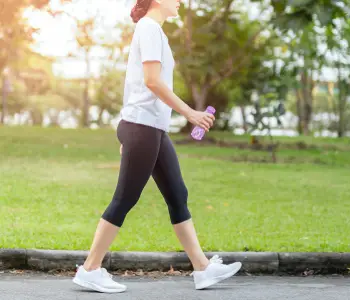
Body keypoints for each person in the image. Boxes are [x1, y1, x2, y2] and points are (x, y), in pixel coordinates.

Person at [72, 0, 242, 294]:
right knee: (124, 199)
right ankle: (90, 269)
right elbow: (152, 81)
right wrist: (190, 113)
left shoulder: (155, 31)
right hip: (142, 127)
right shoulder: (149, 28)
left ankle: (202, 269)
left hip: (151, 129)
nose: (179, 1)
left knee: (178, 194)